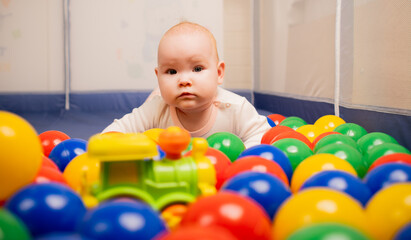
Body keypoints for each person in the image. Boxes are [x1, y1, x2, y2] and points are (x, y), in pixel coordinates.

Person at [102, 21, 271, 148]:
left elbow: (262, 136)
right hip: (159, 102)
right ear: (158, 76)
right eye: (172, 72)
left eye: (197, 69)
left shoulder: (235, 108)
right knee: (155, 101)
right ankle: (157, 92)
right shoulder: (157, 109)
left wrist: (241, 160)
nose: (184, 81)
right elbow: (113, 133)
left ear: (219, 73)